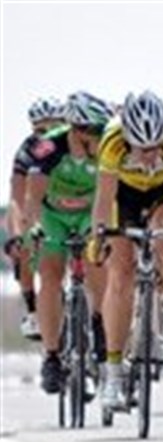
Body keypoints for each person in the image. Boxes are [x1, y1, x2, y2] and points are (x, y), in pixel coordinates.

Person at [91, 90, 163, 409]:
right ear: (128, 140)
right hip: (123, 197)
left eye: (156, 147)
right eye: (142, 148)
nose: (150, 155)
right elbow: (103, 201)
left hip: (160, 194)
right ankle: (113, 372)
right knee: (120, 274)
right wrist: (99, 237)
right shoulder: (112, 142)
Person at [21, 92, 113, 394]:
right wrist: (34, 226)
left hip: (90, 214)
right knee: (49, 275)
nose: (100, 138)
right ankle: (51, 356)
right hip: (53, 215)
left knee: (98, 261)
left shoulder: (105, 149)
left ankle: (99, 321)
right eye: (95, 131)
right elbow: (33, 197)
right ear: (77, 129)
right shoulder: (49, 146)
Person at [5, 97, 67, 340]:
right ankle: (32, 310)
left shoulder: (75, 145)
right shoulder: (27, 152)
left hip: (74, 206)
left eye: (55, 126)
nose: (48, 134)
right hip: (41, 207)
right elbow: (17, 200)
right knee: (24, 248)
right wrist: (16, 236)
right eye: (41, 130)